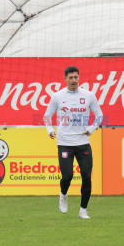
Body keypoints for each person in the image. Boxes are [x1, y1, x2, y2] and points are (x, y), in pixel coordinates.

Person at [43, 66, 103, 219]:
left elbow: (99, 115)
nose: (74, 80)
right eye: (70, 78)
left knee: (86, 176)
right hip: (64, 142)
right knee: (68, 176)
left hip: (83, 141)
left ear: (79, 78)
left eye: (76, 77)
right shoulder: (57, 96)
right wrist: (50, 130)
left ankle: (83, 210)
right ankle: (63, 194)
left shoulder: (88, 95)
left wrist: (90, 129)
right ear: (65, 79)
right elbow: (47, 116)